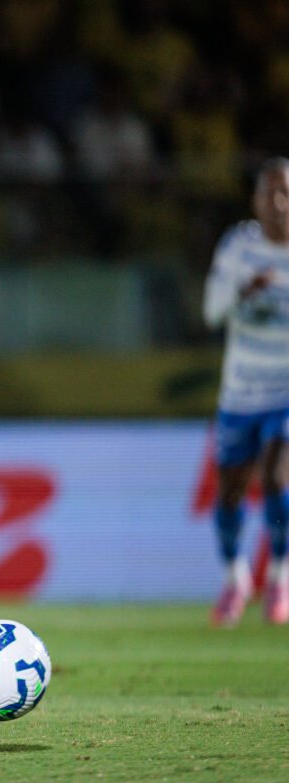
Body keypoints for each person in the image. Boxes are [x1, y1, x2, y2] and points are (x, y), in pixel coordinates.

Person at [203, 157, 289, 627]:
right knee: (230, 493)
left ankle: (279, 573)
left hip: (285, 390)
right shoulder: (239, 246)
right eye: (270, 194)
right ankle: (236, 579)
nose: (279, 204)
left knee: (277, 478)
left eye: (286, 194)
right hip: (240, 392)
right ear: (256, 201)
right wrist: (243, 294)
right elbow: (211, 312)